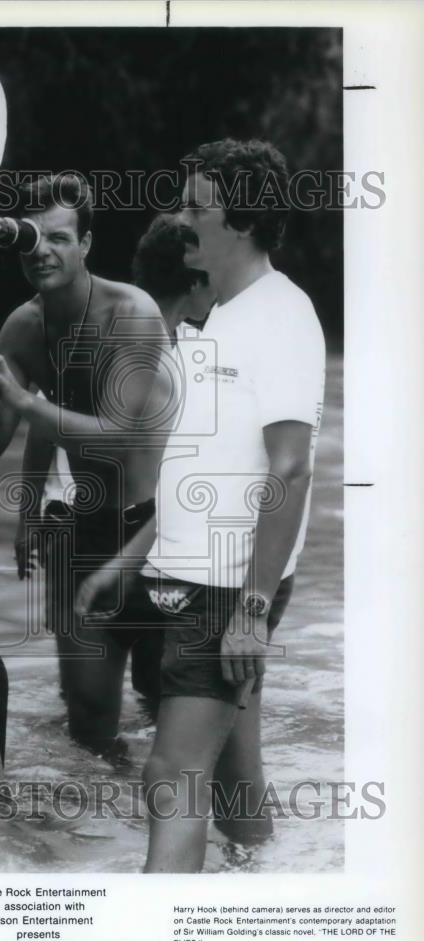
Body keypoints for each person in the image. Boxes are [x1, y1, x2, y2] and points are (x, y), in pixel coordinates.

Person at [77, 139, 326, 871]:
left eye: (195, 205)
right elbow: (207, 475)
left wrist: (250, 611)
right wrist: (130, 561)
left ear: (241, 222)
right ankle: (265, 891)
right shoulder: (218, 318)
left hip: (226, 590)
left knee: (171, 774)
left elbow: (291, 470)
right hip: (201, 578)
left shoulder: (282, 317)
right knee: (232, 781)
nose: (181, 218)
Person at [0, 173, 192, 758]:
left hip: (160, 533)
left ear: (86, 243)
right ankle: (99, 843)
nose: (43, 251)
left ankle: (176, 841)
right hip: (81, 533)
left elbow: (113, 436)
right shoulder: (23, 326)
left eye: (59, 237)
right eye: (31, 238)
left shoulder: (131, 313)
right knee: (88, 724)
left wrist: (24, 400)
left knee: (174, 715)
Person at [14, 215, 215, 707]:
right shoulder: (183, 355)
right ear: (196, 280)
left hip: (85, 523)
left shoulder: (102, 326)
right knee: (159, 699)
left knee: (88, 713)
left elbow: (46, 416)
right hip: (151, 533)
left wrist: (28, 512)